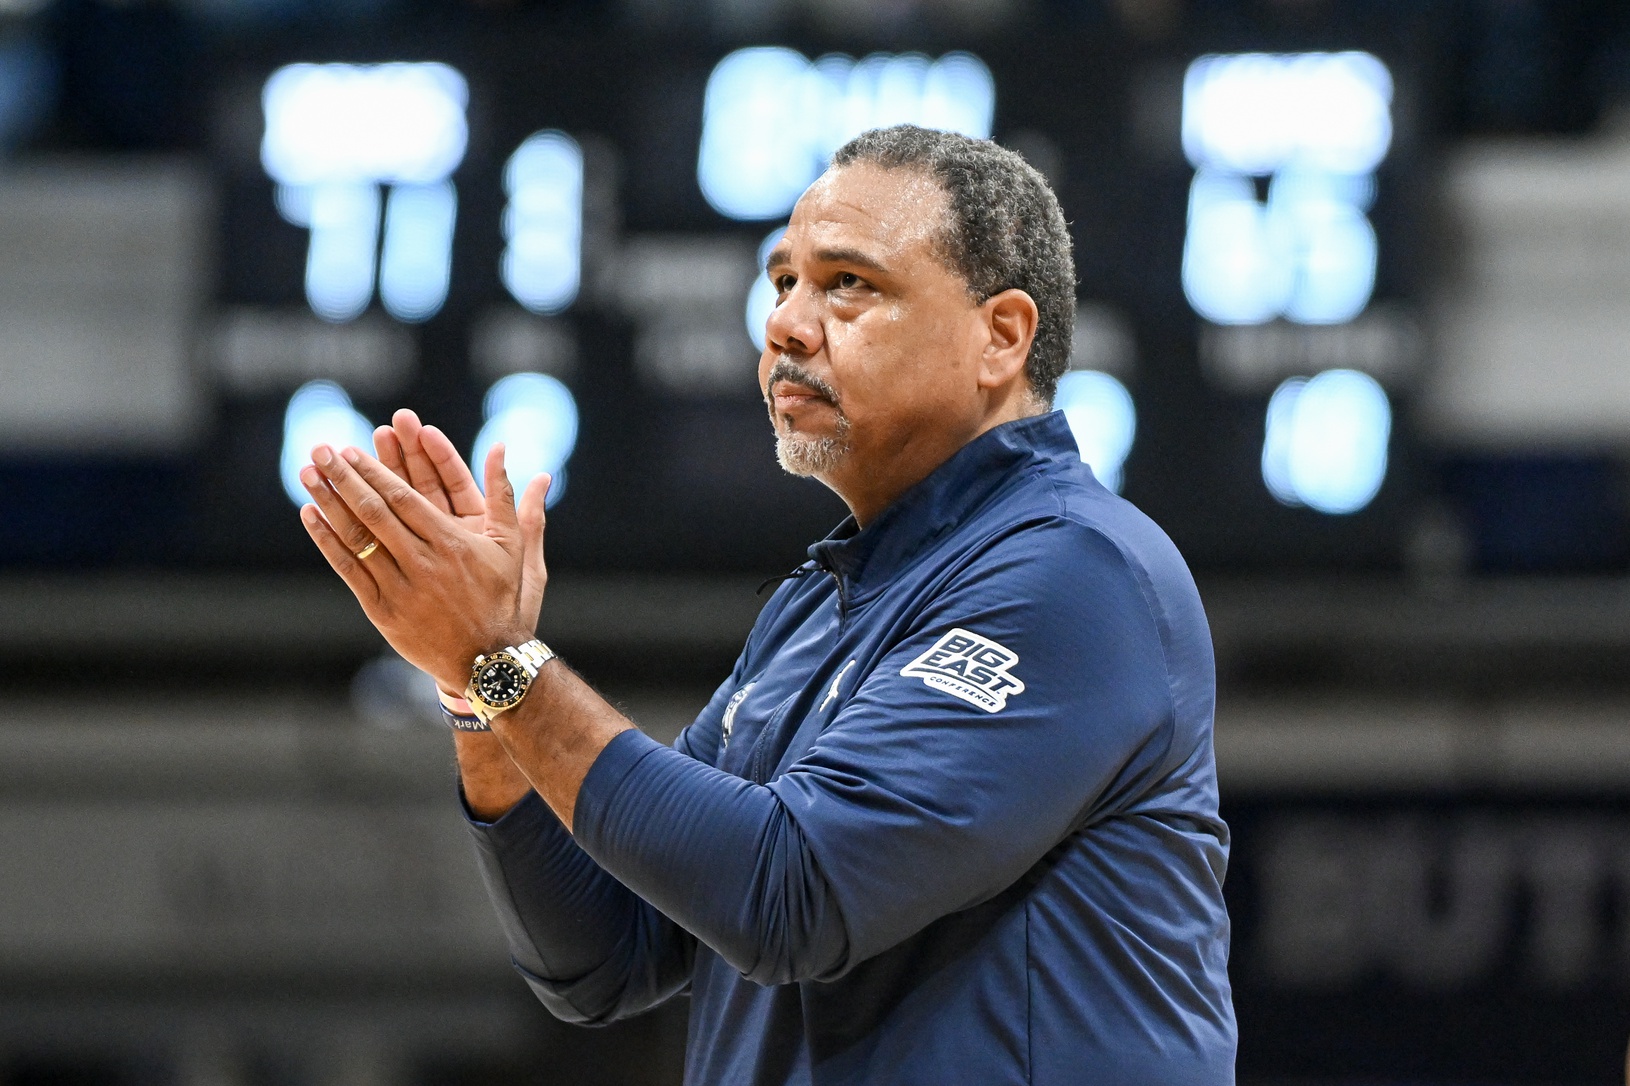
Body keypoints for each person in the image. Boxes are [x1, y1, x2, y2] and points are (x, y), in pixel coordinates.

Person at [296, 125, 1236, 1085]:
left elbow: (788, 893)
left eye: (849, 285)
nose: (786, 323)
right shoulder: (817, 605)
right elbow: (602, 959)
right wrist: (476, 692)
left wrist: (505, 665)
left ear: (1000, 336)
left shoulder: (1076, 573)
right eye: (782, 281)